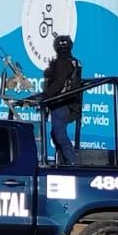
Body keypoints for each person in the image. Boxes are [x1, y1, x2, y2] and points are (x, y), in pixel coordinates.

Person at [42, 35, 82, 165]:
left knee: (59, 134)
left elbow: (59, 83)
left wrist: (46, 95)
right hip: (71, 103)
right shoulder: (75, 61)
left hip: (61, 103)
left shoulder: (62, 62)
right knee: (56, 134)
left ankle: (71, 163)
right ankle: (62, 161)